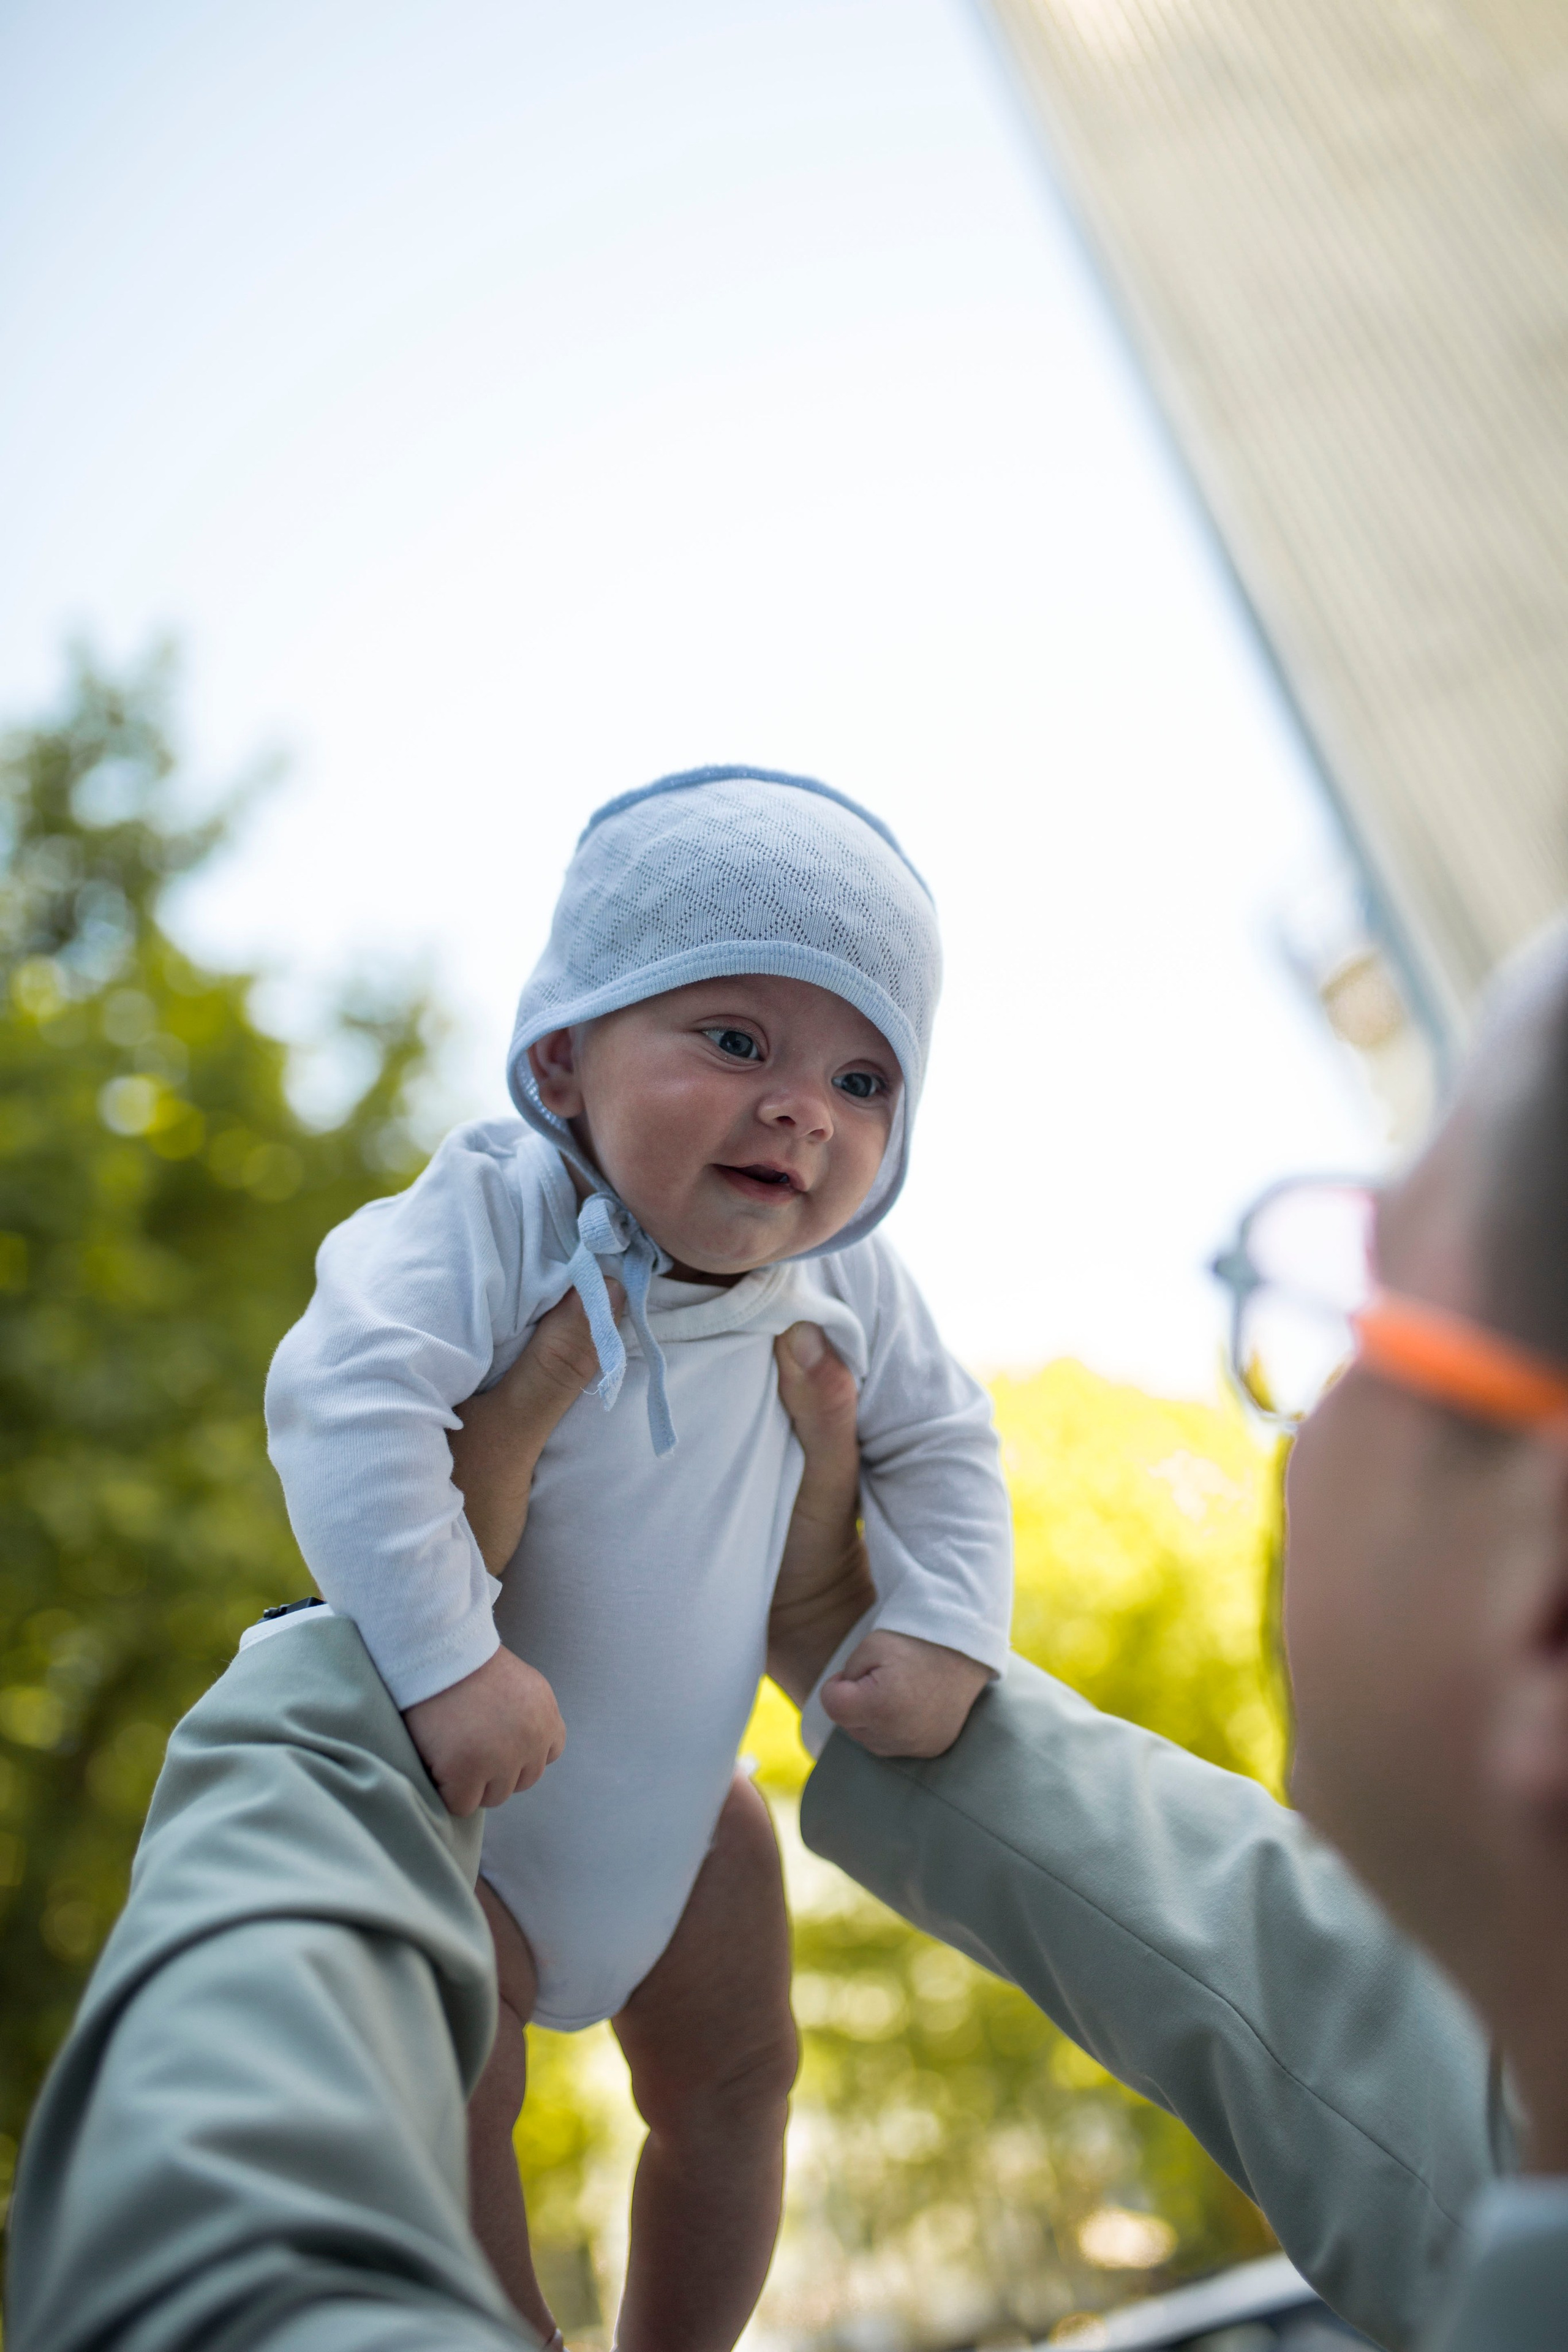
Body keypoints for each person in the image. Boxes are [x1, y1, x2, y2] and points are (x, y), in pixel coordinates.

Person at [262, 767, 1015, 2346]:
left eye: (865, 1077)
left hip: (689, 1825)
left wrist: (947, 1626)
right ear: (564, 1054)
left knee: (740, 2087)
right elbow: (344, 1397)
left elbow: (945, 1446)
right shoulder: (497, 1213)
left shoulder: (850, 1284)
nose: (805, 1105)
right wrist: (447, 1661)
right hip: (463, 1820)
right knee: (452, 2085)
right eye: (736, 1040)